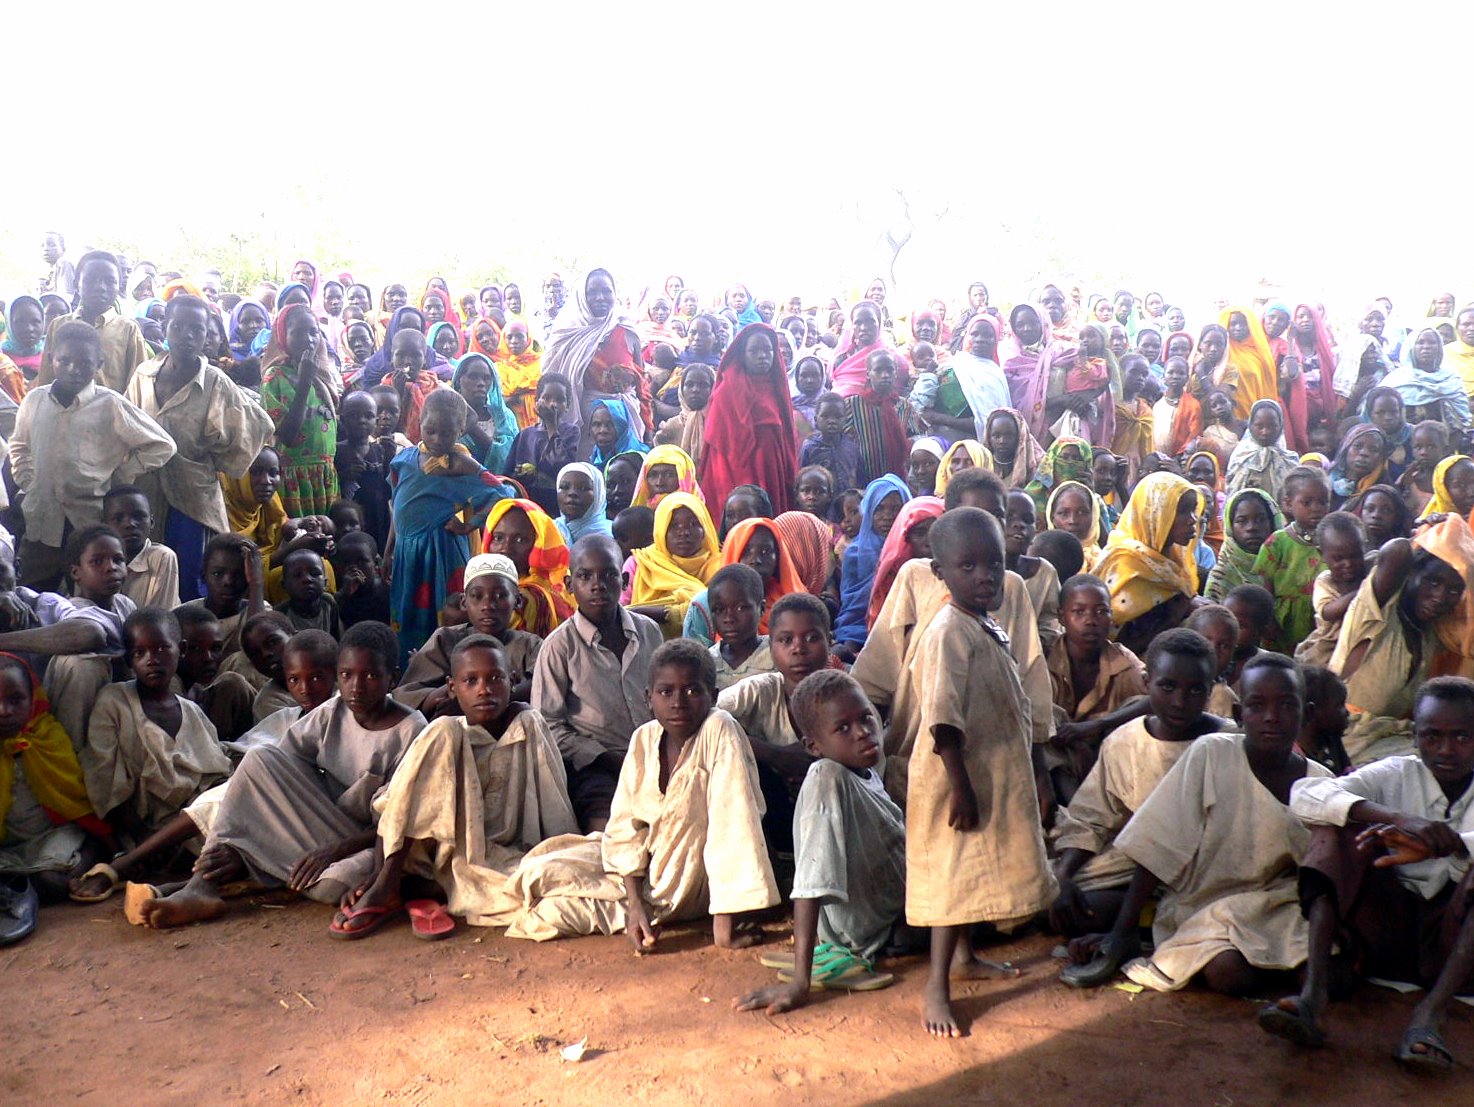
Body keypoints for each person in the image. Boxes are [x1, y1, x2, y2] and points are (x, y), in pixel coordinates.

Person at [131, 622, 426, 929]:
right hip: (317, 825)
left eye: (370, 676)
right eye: (346, 675)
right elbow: (280, 770)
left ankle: (236, 868)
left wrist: (333, 851)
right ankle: (200, 886)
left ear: (392, 677)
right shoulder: (331, 711)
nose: (356, 686)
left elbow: (395, 820)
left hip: (367, 841)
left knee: (335, 885)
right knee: (261, 757)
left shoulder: (412, 732)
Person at [892, 508, 1056, 1037]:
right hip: (953, 778)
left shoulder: (985, 620)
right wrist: (960, 788)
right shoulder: (946, 632)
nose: (985, 575)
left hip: (982, 773)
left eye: (994, 564)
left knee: (968, 874)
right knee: (949, 881)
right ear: (939, 571)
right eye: (968, 566)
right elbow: (942, 720)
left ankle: (964, 957)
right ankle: (936, 988)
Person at [501, 639, 779, 946]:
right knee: (536, 870)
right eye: (666, 692)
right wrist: (634, 905)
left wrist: (725, 922)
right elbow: (624, 828)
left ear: (712, 696)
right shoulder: (644, 738)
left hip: (686, 880)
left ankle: (645, 908)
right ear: (648, 698)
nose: (678, 702)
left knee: (547, 915)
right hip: (642, 873)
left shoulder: (719, 728)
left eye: (692, 691)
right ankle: (631, 905)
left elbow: (734, 823)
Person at [1264, 676, 1474, 1070]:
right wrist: (1399, 818)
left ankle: (1428, 1017)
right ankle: (1313, 996)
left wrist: (1452, 843)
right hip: (1387, 933)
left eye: (1462, 737)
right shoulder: (1395, 773)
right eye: (1432, 736)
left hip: (1455, 946)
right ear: (1414, 736)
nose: (1446, 750)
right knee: (1334, 828)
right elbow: (1306, 796)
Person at [331, 635, 579, 937]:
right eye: (470, 681)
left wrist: (562, 852)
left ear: (512, 681)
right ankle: (389, 882)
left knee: (565, 879)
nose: (484, 690)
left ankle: (423, 887)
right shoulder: (443, 729)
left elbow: (554, 806)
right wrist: (379, 874)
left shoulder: (528, 724)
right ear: (452, 687)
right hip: (420, 851)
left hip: (495, 853)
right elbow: (396, 808)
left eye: (495, 678)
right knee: (445, 731)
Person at [734, 669, 904, 1014]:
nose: (862, 733)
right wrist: (800, 980)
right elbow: (811, 879)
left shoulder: (866, 771)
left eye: (866, 718)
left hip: (888, 911)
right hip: (877, 931)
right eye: (843, 728)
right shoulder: (826, 776)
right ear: (813, 746)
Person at [1049, 629, 1227, 938]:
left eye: (1195, 690)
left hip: (1206, 876)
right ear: (1146, 683)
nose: (1180, 701)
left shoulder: (1230, 745)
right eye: (1167, 686)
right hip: (1135, 869)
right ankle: (1145, 923)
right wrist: (1064, 876)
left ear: (1210, 690)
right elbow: (1092, 818)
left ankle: (1143, 929)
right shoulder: (1125, 742)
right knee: (1060, 907)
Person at [126, 296, 275, 599]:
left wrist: (216, 458)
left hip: (194, 496)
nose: (187, 335)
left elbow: (258, 426)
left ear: (208, 335)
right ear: (165, 327)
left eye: (197, 329)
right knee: (147, 571)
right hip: (147, 490)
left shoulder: (215, 382)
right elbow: (126, 425)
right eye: (178, 326)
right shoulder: (144, 374)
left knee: (191, 575)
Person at [10, 322, 175, 590]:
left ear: (98, 363)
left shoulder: (110, 404)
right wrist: (29, 483)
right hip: (41, 519)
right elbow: (19, 446)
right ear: (51, 358)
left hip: (88, 518)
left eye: (85, 362)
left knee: (87, 594)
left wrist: (122, 474)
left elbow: (162, 445)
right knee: (34, 589)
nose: (74, 369)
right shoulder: (34, 400)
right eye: (64, 360)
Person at [533, 535, 662, 831]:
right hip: (595, 766)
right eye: (585, 576)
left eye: (608, 575)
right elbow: (548, 724)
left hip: (654, 755)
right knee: (610, 830)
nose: (597, 585)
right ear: (569, 585)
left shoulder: (649, 632)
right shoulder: (558, 647)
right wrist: (605, 757)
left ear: (625, 579)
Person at [81, 608, 232, 843]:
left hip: (196, 824)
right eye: (139, 652)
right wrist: (143, 837)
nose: (151, 659)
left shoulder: (191, 712)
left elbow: (216, 774)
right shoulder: (114, 702)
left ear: (180, 650)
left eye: (162, 648)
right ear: (129, 660)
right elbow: (106, 782)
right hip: (140, 831)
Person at [387, 390, 511, 661]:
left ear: (459, 432)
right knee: (407, 614)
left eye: (447, 433)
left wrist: (466, 521)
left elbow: (502, 493)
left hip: (442, 552)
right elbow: (397, 508)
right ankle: (412, 671)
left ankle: (448, 670)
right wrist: (389, 551)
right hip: (408, 554)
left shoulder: (461, 463)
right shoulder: (403, 461)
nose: (437, 440)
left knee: (446, 615)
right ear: (419, 421)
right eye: (430, 431)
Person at [0, 652, 109, 922]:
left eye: (15, 700)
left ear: (33, 699)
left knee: (51, 884)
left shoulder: (47, 736)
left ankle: (91, 853)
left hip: (51, 836)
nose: (4, 711)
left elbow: (72, 797)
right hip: (6, 845)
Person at [1046, 575, 1149, 801]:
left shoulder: (1124, 664)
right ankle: (1071, 816)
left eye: (1101, 611)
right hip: (1059, 767)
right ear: (1061, 617)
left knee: (1137, 714)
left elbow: (1154, 700)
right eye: (1079, 612)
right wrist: (1076, 743)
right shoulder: (1044, 660)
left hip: (1106, 765)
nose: (1091, 620)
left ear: (1112, 617)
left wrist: (1097, 725)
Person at [1090, 472, 1201, 655]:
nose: (1192, 520)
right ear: (1155, 514)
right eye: (1181, 511)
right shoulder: (1125, 565)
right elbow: (1112, 644)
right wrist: (1179, 612)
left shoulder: (1176, 557)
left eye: (1193, 510)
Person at [541, 269, 648, 453]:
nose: (600, 297)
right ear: (582, 296)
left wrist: (648, 423)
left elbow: (641, 384)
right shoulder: (566, 335)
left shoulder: (628, 331)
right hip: (586, 424)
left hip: (625, 419)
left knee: (625, 472)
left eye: (607, 291)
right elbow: (551, 383)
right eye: (592, 292)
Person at [701, 323, 799, 517]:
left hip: (771, 472)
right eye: (754, 351)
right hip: (735, 472)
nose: (762, 356)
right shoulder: (726, 391)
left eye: (768, 350)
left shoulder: (778, 387)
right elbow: (719, 447)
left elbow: (787, 436)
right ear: (742, 354)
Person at [260, 303, 339, 517]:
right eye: (298, 333)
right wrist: (304, 381)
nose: (309, 339)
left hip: (324, 476)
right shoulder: (275, 377)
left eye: (314, 332)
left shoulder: (322, 377)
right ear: (283, 337)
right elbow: (286, 435)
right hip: (293, 478)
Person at [35, 251, 150, 393]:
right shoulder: (58, 325)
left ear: (119, 286)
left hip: (109, 413)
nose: (100, 287)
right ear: (76, 284)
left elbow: (137, 386)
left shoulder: (128, 330)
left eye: (109, 281)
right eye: (90, 280)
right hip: (64, 412)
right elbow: (46, 379)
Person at [1253, 466, 1331, 654]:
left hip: (1321, 619)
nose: (1316, 509)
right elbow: (1266, 585)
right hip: (1282, 622)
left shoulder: (1331, 540)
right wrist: (1268, 619)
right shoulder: (1278, 541)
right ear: (1288, 503)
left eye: (1323, 502)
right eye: (1307, 502)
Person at [626, 491, 720, 639]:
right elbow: (621, 612)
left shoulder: (720, 567)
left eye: (693, 524)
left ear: (705, 529)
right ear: (660, 530)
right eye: (674, 525)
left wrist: (659, 613)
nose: (683, 532)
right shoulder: (640, 563)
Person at [833, 475, 910, 654]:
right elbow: (852, 605)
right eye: (879, 509)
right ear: (868, 511)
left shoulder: (911, 550)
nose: (887, 517)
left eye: (895, 509)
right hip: (859, 629)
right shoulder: (855, 553)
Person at [483, 498, 574, 637]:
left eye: (520, 540)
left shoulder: (531, 596)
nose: (505, 549)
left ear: (539, 544)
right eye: (498, 538)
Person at [1294, 512, 1369, 668]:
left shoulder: (1371, 567)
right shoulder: (1326, 581)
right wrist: (1365, 591)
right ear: (1322, 554)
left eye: (1355, 556)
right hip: (1329, 643)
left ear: (1364, 547)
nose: (1348, 563)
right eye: (1339, 558)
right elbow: (1327, 612)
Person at [505, 373, 580, 516]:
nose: (553, 404)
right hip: (527, 506)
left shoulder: (571, 432)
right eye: (546, 398)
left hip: (555, 508)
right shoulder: (525, 435)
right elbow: (507, 476)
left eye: (560, 400)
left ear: (567, 406)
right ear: (536, 401)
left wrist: (552, 425)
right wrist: (519, 474)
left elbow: (561, 465)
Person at [103, 485, 180, 611]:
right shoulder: (98, 560)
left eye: (138, 517)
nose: (129, 524)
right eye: (118, 518)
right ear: (104, 525)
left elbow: (160, 617)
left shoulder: (161, 557)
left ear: (151, 523)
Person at [1003, 489, 1062, 650]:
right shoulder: (976, 574)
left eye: (1027, 520)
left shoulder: (1044, 573)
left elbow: (1051, 625)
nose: (1019, 524)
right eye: (1008, 517)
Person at [1380, 327, 1470, 431]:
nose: (1426, 347)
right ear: (1411, 346)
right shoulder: (1395, 380)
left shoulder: (1451, 381)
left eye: (1432, 342)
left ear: (1440, 347)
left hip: (1445, 444)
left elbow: (1461, 423)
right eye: (1420, 342)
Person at [1204, 488, 1281, 602]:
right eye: (1242, 521)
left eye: (1261, 519)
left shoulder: (1289, 565)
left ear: (1273, 522)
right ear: (1230, 527)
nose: (1252, 528)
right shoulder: (1222, 576)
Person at [451, 352, 518, 475]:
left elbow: (512, 458)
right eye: (473, 376)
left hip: (503, 486)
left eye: (486, 378)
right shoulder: (449, 417)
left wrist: (473, 428)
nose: (481, 383)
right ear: (458, 381)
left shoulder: (505, 417)